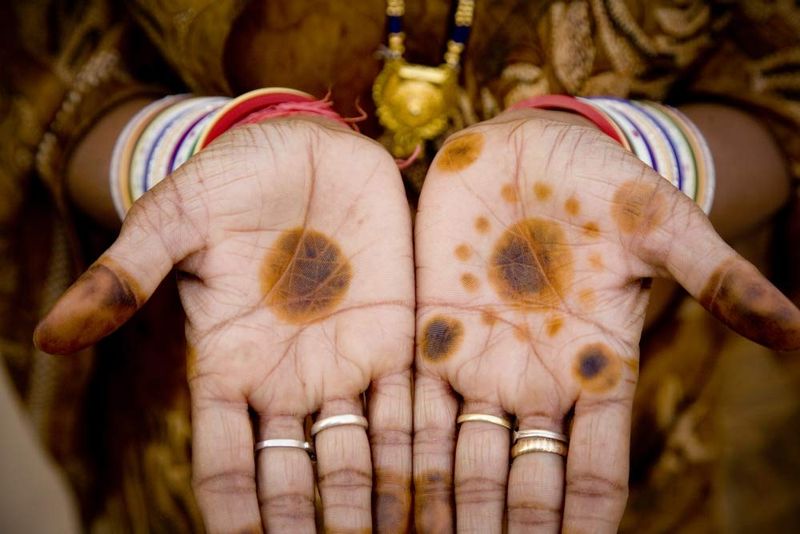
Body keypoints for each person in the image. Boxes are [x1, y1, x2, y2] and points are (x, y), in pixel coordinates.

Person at [2, 1, 799, 533]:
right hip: (231, 379)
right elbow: (37, 73)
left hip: (601, 401)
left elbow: (780, 95)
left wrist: (644, 174)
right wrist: (185, 160)